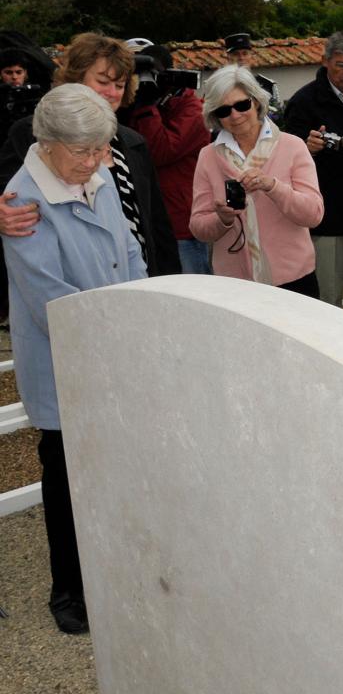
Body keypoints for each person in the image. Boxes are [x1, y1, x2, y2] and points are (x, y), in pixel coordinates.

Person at [3, 84, 148, 634]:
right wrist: (111, 341)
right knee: (65, 476)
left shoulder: (98, 174)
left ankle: (117, 564)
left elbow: (129, 249)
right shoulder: (23, 200)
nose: (95, 163)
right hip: (68, 360)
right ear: (45, 144)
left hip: (117, 345)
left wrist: (143, 309)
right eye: (83, 153)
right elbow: (47, 298)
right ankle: (69, 589)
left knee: (116, 467)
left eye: (101, 151)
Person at [0, 33, 180, 276]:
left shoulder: (133, 141)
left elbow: (156, 223)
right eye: (103, 81)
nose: (112, 92)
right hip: (69, 283)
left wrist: (168, 281)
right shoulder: (33, 133)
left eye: (119, 85)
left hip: (137, 277)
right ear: (76, 77)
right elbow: (8, 192)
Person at [190, 66, 323, 296]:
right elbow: (198, 227)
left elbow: (314, 214)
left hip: (294, 280)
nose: (235, 115)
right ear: (215, 115)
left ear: (257, 102)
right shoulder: (208, 157)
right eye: (223, 110)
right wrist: (222, 219)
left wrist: (272, 186)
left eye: (242, 105)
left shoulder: (292, 146)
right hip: (235, 286)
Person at [280, 31, 343, 320]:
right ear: (325, 61)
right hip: (328, 216)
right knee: (327, 300)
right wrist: (307, 147)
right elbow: (286, 157)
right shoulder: (304, 102)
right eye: (341, 65)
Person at [120, 43, 211, 274]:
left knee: (191, 295)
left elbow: (158, 152)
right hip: (151, 219)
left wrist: (146, 108)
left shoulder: (192, 110)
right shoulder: (145, 103)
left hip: (180, 225)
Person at [224, 32, 282, 118]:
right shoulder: (219, 86)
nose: (241, 58)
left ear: (251, 56)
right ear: (228, 57)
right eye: (236, 54)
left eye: (245, 53)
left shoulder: (267, 85)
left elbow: (276, 115)